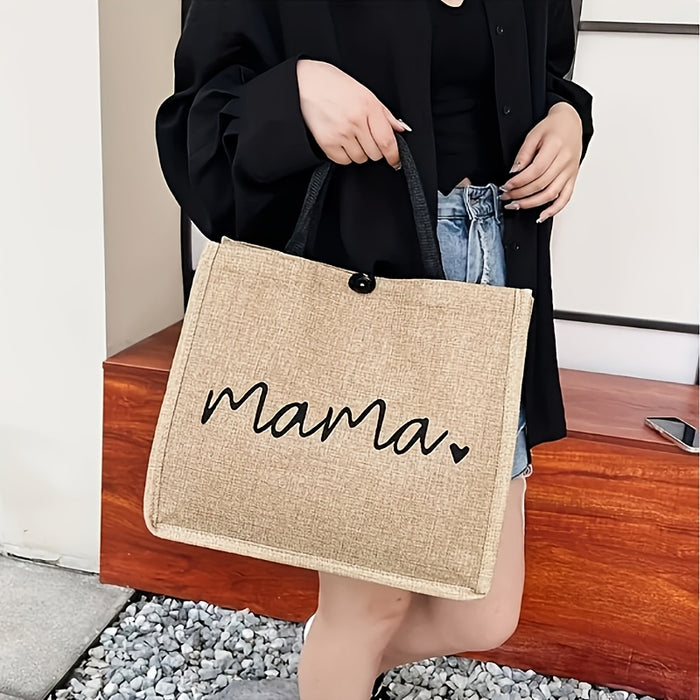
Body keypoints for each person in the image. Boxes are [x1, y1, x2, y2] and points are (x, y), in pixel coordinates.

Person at [154, 1, 594, 699]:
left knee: (483, 612)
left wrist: (568, 118)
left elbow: (545, 67)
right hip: (362, 275)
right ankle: (337, 661)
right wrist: (295, 93)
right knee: (369, 607)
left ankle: (332, 662)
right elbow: (197, 133)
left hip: (495, 279)